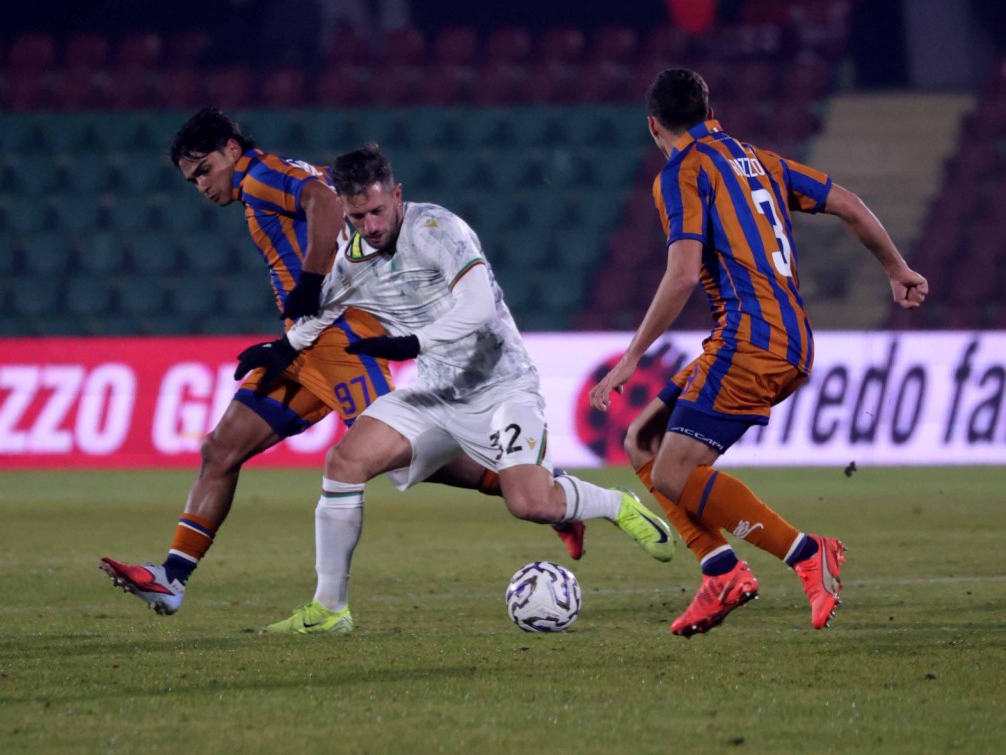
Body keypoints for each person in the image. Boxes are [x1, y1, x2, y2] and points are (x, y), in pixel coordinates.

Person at [100, 109, 583, 616]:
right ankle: (172, 577)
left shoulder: (262, 177)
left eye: (204, 169)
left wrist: (310, 281)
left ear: (232, 150)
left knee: (405, 456)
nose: (201, 184)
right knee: (221, 448)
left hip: (340, 337)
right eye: (192, 178)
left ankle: (539, 486)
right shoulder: (267, 179)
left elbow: (325, 200)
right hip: (305, 343)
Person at [236, 142, 677, 635]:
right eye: (359, 216)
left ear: (398, 195)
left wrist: (414, 342)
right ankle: (330, 609)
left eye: (379, 210)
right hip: (435, 392)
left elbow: (479, 306)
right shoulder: (352, 256)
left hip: (501, 386)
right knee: (345, 462)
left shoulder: (438, 231)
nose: (372, 225)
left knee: (530, 503)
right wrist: (281, 349)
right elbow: (324, 312)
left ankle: (615, 504)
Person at [589, 68, 929, 637]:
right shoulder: (759, 160)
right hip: (783, 336)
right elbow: (847, 202)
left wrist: (630, 359)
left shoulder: (682, 173)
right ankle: (720, 573)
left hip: (750, 338)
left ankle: (806, 553)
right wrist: (898, 268)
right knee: (642, 441)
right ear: (708, 109)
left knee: (673, 473)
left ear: (654, 125)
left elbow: (680, 277)